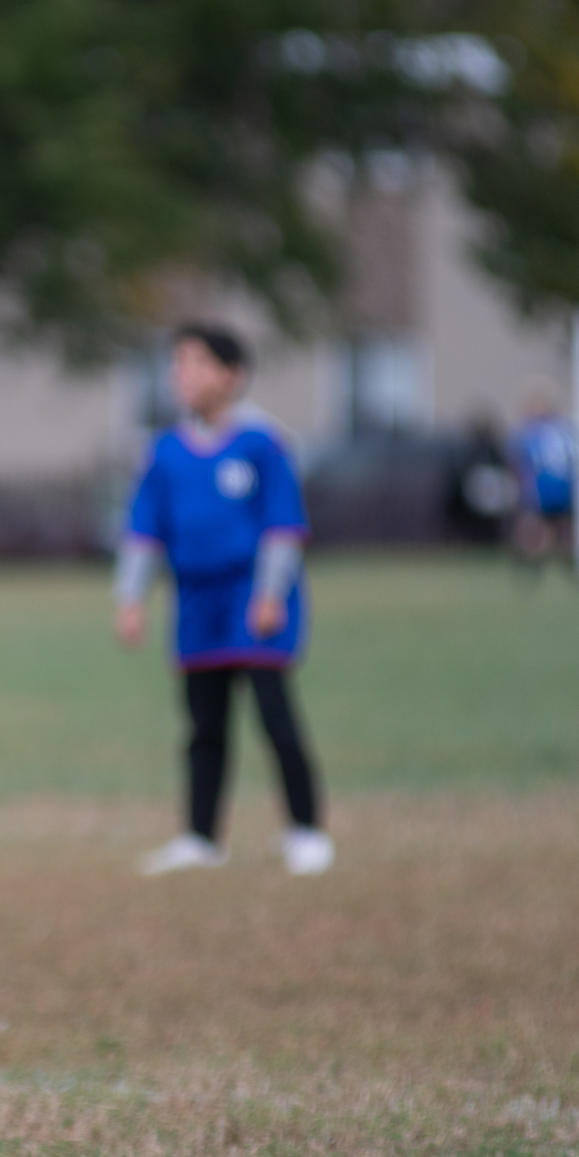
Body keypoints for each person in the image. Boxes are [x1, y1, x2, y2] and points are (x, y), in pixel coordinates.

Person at [114, 323, 332, 877]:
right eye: (177, 364)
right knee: (204, 726)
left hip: (252, 600)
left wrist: (269, 592)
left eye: (195, 363)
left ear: (231, 376)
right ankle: (200, 838)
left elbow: (283, 526)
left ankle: (306, 832)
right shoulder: (164, 452)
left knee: (274, 717)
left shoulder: (263, 444)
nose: (181, 375)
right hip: (196, 605)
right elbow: (144, 531)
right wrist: (131, 597)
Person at [506, 391, 576, 570]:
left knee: (561, 531)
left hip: (558, 489)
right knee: (533, 529)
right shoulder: (526, 433)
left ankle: (565, 565)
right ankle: (532, 565)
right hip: (536, 491)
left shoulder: (560, 430)